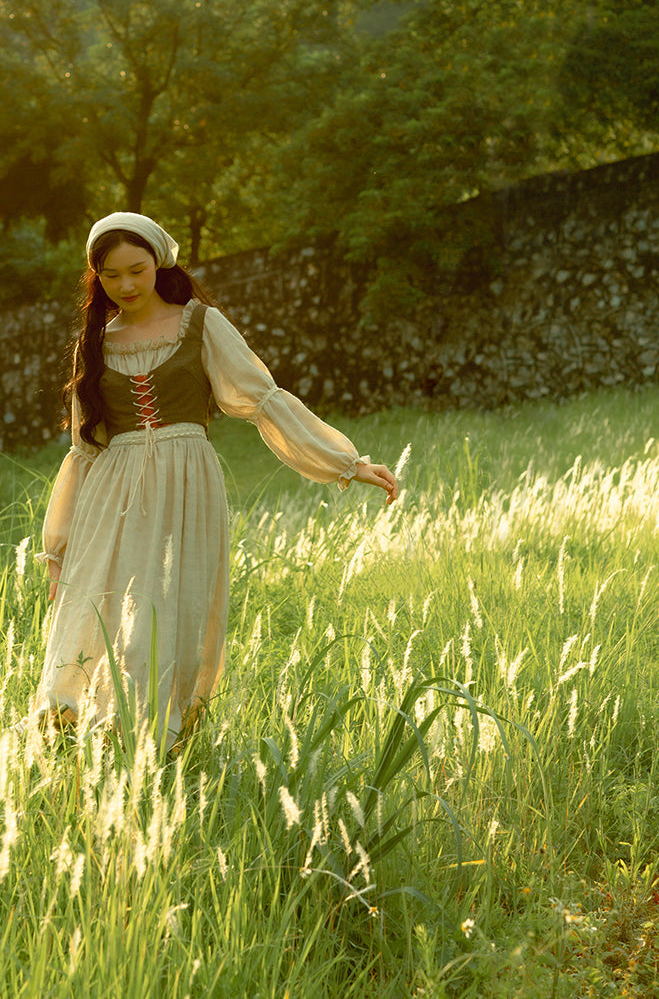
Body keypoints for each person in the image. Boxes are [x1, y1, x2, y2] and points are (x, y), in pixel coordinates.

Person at [32, 212, 398, 747]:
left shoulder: (200, 323)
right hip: (114, 493)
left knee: (169, 613)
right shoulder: (96, 342)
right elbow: (84, 451)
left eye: (137, 269)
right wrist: (60, 551)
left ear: (159, 263)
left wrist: (346, 463)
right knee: (112, 610)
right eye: (112, 275)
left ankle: (158, 739)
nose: (127, 285)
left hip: (187, 487)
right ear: (97, 278)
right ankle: (100, 733)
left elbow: (262, 399)